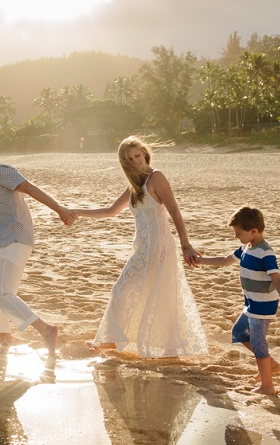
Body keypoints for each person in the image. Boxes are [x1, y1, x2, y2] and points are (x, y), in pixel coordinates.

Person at [67, 136, 207, 360]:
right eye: (130, 159)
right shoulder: (135, 185)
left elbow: (175, 211)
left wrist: (186, 245)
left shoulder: (156, 177)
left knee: (123, 289)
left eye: (138, 156)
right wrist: (78, 212)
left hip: (159, 246)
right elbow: (112, 210)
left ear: (145, 153)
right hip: (143, 248)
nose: (136, 161)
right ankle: (126, 341)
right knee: (145, 292)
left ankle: (112, 341)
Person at [0, 141, 74, 353]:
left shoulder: (0, 171)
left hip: (16, 239)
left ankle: (46, 330)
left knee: (2, 294)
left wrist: (59, 209)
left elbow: (29, 187)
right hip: (2, 241)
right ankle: (5, 338)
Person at [192, 204, 280, 398]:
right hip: (251, 303)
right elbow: (225, 260)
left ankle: (268, 386)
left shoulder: (266, 253)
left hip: (263, 305)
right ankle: (271, 365)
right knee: (239, 333)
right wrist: (201, 261)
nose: (236, 236)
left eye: (238, 233)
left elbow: (277, 279)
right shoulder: (246, 247)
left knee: (259, 344)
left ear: (253, 231)